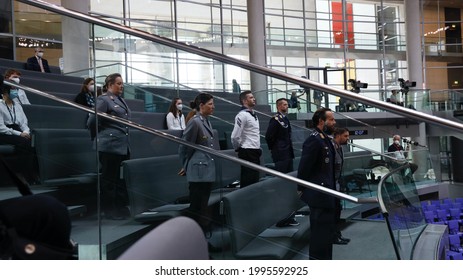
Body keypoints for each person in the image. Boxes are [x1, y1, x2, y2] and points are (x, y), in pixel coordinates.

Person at [87, 73, 131, 220]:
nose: (121, 86)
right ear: (110, 85)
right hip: (109, 146)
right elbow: (92, 120)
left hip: (122, 145)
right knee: (109, 179)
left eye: (122, 83)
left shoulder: (120, 100)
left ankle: (120, 207)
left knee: (119, 179)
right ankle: (109, 210)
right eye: (118, 83)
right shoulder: (104, 99)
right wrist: (98, 137)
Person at [297, 107, 336, 260]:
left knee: (326, 235)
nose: (334, 122)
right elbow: (304, 168)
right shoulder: (314, 140)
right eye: (331, 119)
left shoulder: (324, 138)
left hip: (327, 194)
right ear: (321, 121)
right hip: (318, 196)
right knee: (319, 236)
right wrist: (301, 188)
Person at [178, 93, 217, 238]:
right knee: (197, 207)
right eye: (210, 104)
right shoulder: (195, 122)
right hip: (198, 171)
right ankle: (193, 238)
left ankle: (202, 237)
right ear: (201, 106)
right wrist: (186, 165)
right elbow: (184, 147)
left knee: (203, 206)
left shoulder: (205, 121)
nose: (213, 107)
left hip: (206, 170)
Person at [265, 97, 299, 227]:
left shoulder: (284, 119)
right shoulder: (275, 120)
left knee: (289, 182)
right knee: (282, 183)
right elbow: (269, 136)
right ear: (279, 106)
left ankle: (289, 215)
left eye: (287, 104)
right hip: (280, 153)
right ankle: (282, 217)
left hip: (287, 152)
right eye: (284, 104)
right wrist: (276, 149)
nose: (287, 106)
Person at [0, 82, 38, 184]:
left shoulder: (17, 105)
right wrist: (20, 134)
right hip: (4, 132)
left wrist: (26, 132)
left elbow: (24, 122)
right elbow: (1, 127)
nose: (15, 92)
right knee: (24, 143)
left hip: (17, 130)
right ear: (5, 92)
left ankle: (33, 174)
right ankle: (26, 176)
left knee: (34, 141)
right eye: (13, 90)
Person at [231, 90, 261, 188]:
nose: (254, 99)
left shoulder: (253, 114)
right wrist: (238, 148)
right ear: (244, 101)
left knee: (255, 180)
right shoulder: (242, 115)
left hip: (255, 150)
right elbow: (235, 136)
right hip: (247, 150)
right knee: (248, 180)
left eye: (253, 97)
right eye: (251, 98)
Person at [331, 127, 351, 245]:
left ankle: (337, 234)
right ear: (338, 135)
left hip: (337, 183)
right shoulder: (331, 147)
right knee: (333, 212)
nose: (348, 138)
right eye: (345, 136)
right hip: (331, 185)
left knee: (338, 211)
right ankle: (334, 236)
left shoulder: (340, 148)